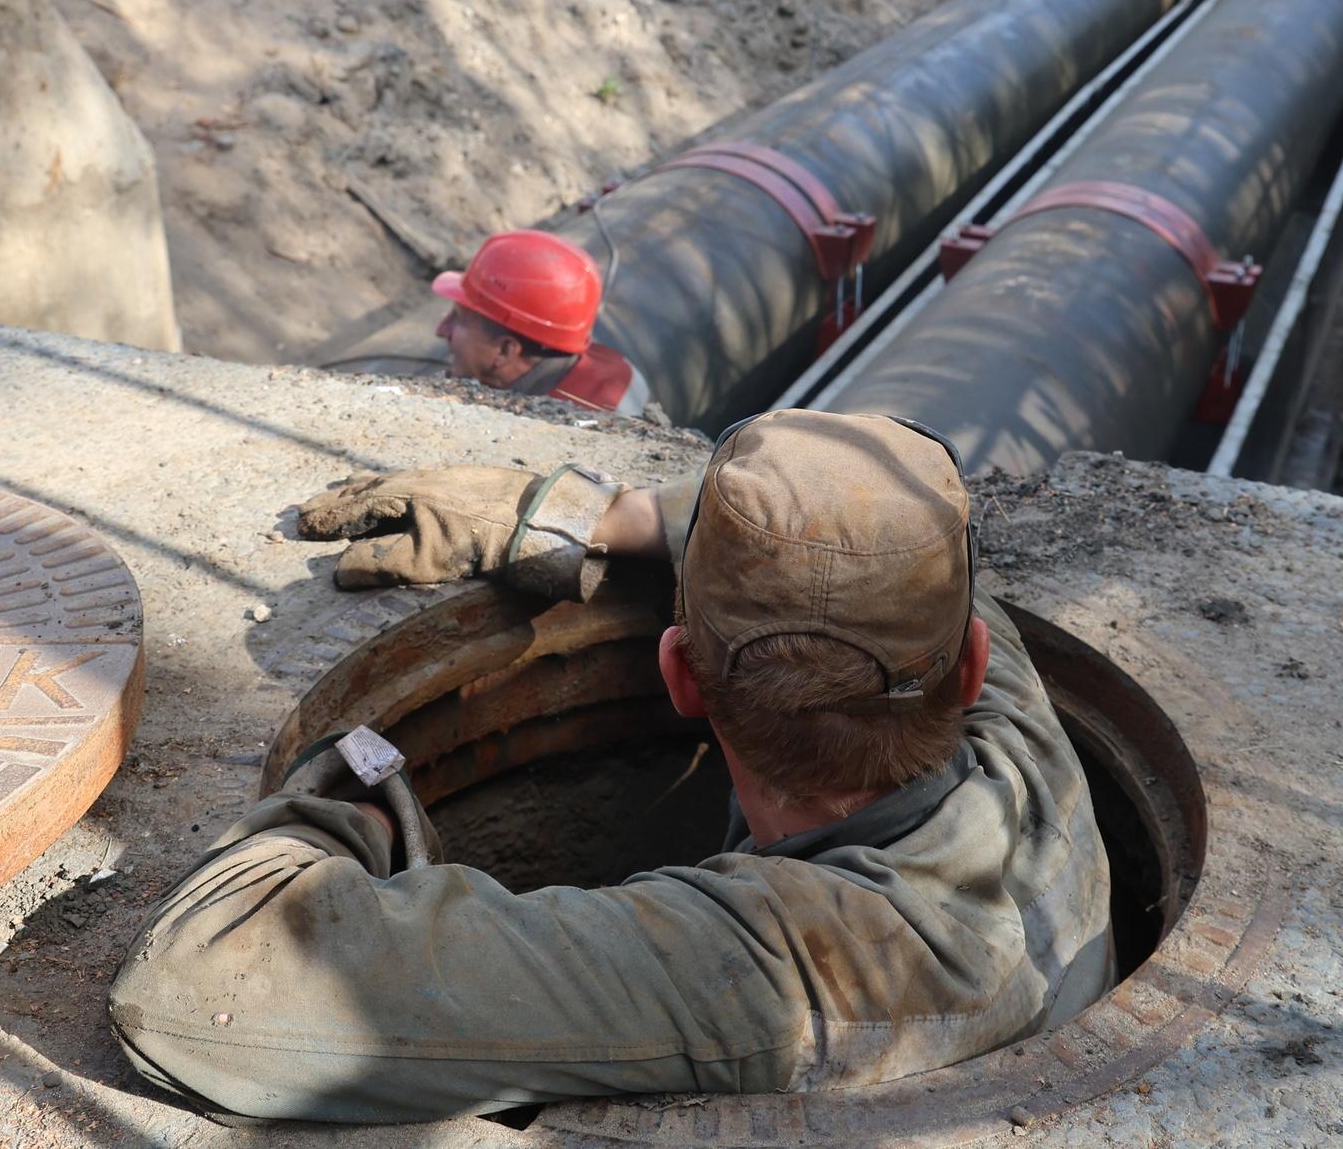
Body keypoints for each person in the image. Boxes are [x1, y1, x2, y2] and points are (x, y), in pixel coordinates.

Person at [107, 409, 1116, 1124]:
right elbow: (858, 545)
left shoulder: (771, 969)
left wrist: (346, 807)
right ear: (971, 662)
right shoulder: (1015, 734)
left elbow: (193, 998)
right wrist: (603, 517)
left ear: (679, 678)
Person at [430, 228, 652, 417]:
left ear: (505, 351)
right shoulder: (617, 367)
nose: (441, 329)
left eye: (458, 319)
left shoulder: (556, 432)